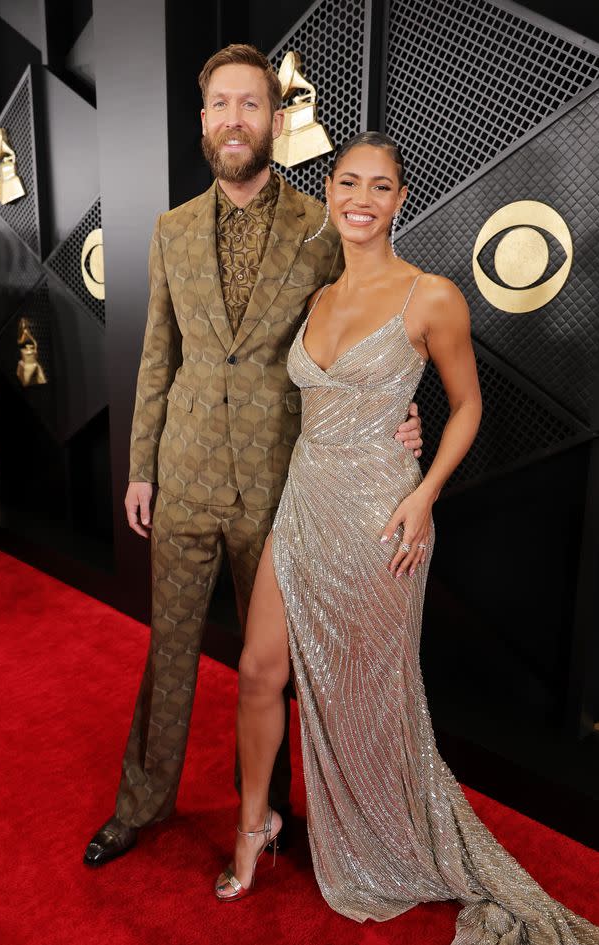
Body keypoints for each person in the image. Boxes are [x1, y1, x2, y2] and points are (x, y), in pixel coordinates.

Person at [214, 132, 599, 945]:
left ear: (399, 200)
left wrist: (424, 495)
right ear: (331, 194)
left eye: (380, 186)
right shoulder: (318, 298)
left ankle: (384, 836)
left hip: (382, 517)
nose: (362, 197)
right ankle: (258, 826)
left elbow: (466, 406)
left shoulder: (431, 296)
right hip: (303, 501)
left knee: (370, 690)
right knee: (256, 669)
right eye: (348, 182)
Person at [84, 46, 423, 867]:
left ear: (275, 119)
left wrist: (395, 407)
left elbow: (369, 316)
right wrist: (140, 467)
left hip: (284, 484)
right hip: (186, 477)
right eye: (220, 106)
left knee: (275, 665)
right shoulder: (169, 229)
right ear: (203, 122)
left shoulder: (320, 223)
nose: (236, 120)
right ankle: (141, 802)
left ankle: (265, 809)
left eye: (251, 105)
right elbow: (157, 352)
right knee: (168, 649)